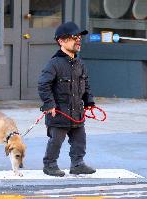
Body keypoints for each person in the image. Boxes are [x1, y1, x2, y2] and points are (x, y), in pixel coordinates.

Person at [38, 21, 96, 177]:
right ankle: (50, 165)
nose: (78, 40)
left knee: (80, 141)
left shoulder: (80, 63)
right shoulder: (54, 64)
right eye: (73, 37)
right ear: (61, 41)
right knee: (56, 142)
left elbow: (86, 84)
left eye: (79, 37)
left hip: (77, 113)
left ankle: (78, 164)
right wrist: (49, 104)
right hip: (58, 113)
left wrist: (89, 101)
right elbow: (43, 85)